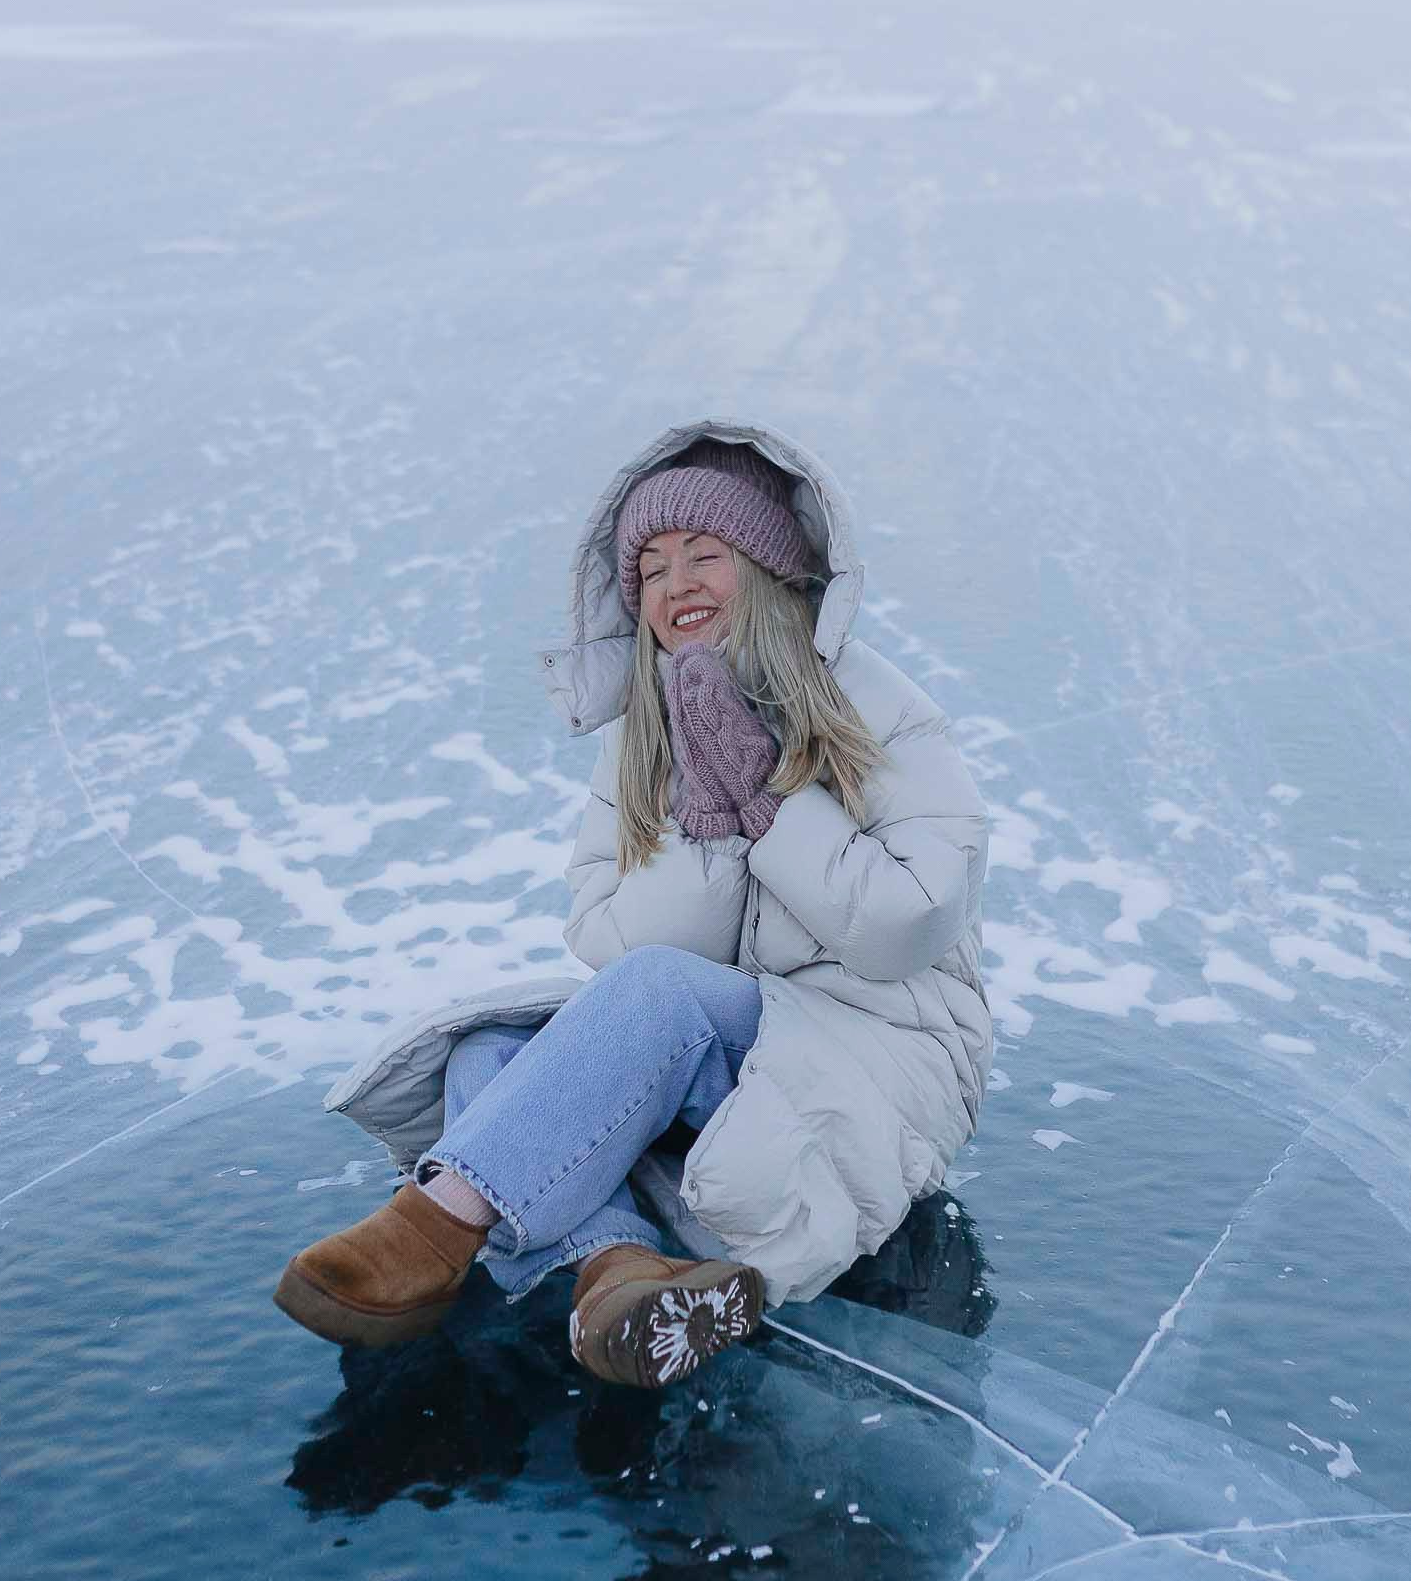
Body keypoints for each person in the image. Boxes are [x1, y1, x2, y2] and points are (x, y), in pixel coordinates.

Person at [274, 424, 991, 1390]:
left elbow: (907, 923)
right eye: (651, 569)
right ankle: (618, 1273)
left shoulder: (874, 703)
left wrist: (767, 804)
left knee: (653, 999)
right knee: (487, 1050)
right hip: (725, 1039)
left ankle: (435, 1225)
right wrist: (704, 808)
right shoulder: (643, 736)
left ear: (773, 570)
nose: (676, 584)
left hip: (878, 1041)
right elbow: (605, 937)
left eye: (706, 556)